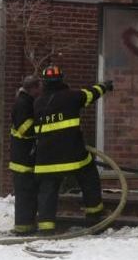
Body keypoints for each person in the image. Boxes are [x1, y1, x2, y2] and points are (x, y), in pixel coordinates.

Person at [33, 65, 113, 235]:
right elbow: (91, 93)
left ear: (44, 82)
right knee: (89, 177)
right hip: (72, 154)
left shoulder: (38, 102)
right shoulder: (71, 97)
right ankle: (94, 215)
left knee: (48, 191)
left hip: (46, 159)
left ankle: (46, 228)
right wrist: (104, 86)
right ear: (62, 79)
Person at [9, 75, 43, 235]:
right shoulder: (22, 104)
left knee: (29, 195)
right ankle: (23, 228)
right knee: (24, 196)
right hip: (22, 160)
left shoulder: (26, 101)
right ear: (33, 88)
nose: (41, 90)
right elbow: (25, 129)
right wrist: (42, 127)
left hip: (25, 158)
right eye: (39, 87)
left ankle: (27, 225)